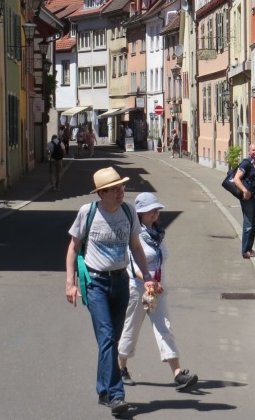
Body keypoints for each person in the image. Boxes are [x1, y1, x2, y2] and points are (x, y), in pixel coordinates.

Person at [65, 167, 157, 417]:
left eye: (121, 187)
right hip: (96, 283)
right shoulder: (88, 213)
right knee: (106, 337)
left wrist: (147, 276)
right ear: (102, 193)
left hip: (121, 282)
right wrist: (70, 283)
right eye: (114, 189)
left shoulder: (128, 212)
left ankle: (104, 390)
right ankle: (117, 395)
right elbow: (73, 248)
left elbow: (136, 247)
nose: (120, 192)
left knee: (112, 340)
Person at [118, 192, 199, 392]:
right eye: (151, 210)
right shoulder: (133, 233)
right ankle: (121, 368)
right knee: (131, 329)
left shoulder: (158, 233)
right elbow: (130, 264)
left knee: (164, 327)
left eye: (157, 209)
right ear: (140, 213)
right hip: (139, 289)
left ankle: (178, 374)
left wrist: (156, 282)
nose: (156, 213)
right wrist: (147, 280)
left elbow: (162, 258)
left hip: (157, 289)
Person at [232, 143, 255, 258]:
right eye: (253, 150)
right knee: (248, 225)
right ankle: (245, 251)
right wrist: (245, 191)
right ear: (249, 151)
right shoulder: (246, 163)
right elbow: (236, 179)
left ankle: (250, 248)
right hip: (248, 199)